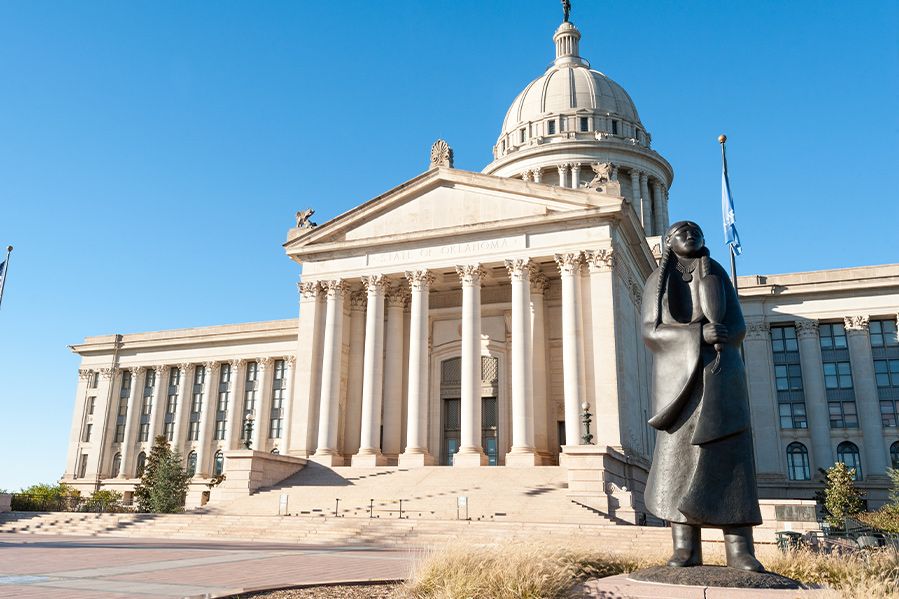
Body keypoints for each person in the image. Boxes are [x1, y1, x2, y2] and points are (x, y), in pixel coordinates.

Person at [641, 220, 763, 571]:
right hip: (681, 385)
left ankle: (740, 549)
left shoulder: (719, 275)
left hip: (721, 375)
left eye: (696, 231)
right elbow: (651, 332)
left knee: (729, 458)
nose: (691, 235)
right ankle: (685, 547)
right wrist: (697, 336)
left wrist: (723, 335)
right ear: (668, 241)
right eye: (682, 231)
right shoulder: (657, 282)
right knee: (677, 463)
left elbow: (739, 324)